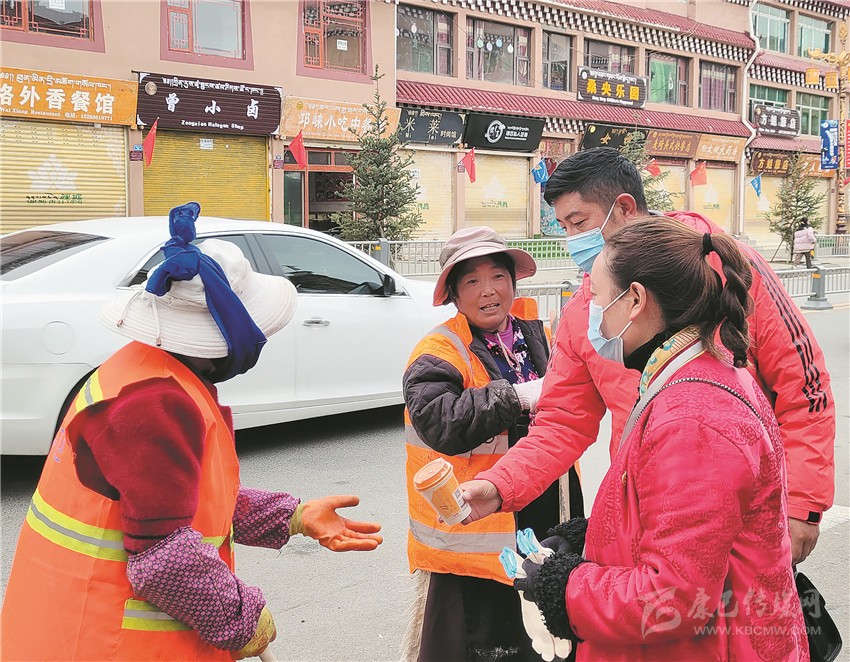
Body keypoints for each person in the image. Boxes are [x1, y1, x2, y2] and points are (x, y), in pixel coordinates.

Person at [1, 202, 383, 661]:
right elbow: (163, 559)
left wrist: (292, 516)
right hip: (105, 643)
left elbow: (186, 499)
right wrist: (242, 620)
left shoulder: (144, 370)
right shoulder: (156, 406)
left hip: (67, 626)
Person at [462, 147, 834, 566]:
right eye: (563, 227)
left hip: (743, 514)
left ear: (624, 208)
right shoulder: (586, 308)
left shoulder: (723, 268)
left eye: (579, 223)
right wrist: (500, 484)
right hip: (649, 513)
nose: (572, 241)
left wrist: (803, 503)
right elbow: (562, 421)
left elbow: (804, 388)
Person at [509, 218, 809, 660]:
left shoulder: (694, 419)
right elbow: (688, 528)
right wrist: (588, 540)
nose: (590, 312)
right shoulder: (691, 374)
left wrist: (563, 585)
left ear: (634, 300)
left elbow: (671, 598)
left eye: (596, 297)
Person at [401, 226, 582, 662]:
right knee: (484, 643)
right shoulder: (438, 350)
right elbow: (438, 420)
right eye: (472, 281)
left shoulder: (539, 335)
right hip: (477, 525)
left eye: (498, 276)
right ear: (453, 294)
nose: (489, 291)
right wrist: (516, 397)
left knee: (549, 627)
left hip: (543, 506)